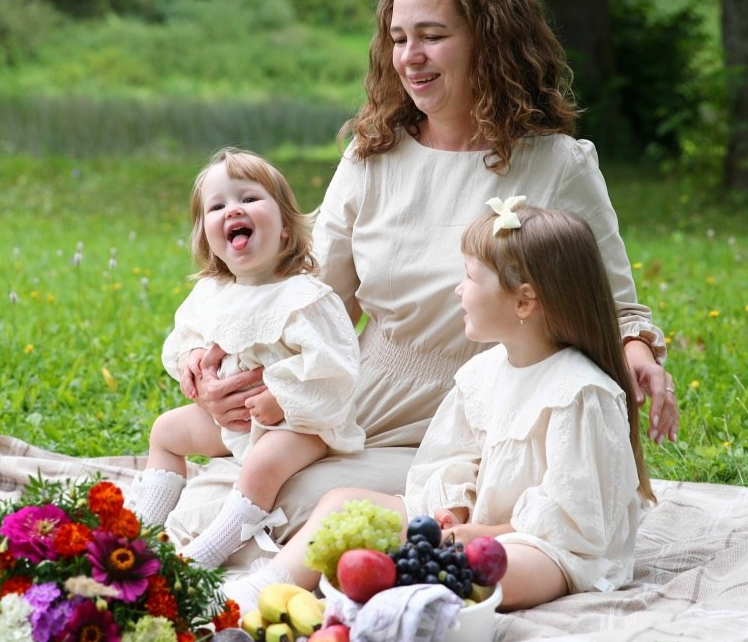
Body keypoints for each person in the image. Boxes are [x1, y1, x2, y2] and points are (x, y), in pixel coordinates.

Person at [164, 0, 676, 566]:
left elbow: (617, 306)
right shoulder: (373, 156)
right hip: (364, 399)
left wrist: (639, 353)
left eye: (432, 36)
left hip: (482, 416)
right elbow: (305, 294)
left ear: (489, 41)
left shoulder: (559, 165)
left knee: (301, 498)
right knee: (256, 484)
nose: (411, 57)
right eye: (399, 38)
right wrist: (211, 364)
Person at [225, 201, 656, 612]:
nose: (458, 288)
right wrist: (455, 510)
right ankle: (266, 584)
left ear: (524, 301)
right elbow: (453, 458)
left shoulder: (579, 392)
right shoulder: (482, 374)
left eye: (469, 277)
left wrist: (485, 533)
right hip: (472, 528)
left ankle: (388, 597)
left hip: (548, 546)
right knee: (342, 501)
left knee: (490, 565)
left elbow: (575, 517)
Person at [140, 147, 365, 568]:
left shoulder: (305, 297)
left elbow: (335, 367)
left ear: (284, 227)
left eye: (248, 199)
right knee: (165, 430)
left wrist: (281, 396)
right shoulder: (212, 293)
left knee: (263, 463)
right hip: (232, 422)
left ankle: (212, 547)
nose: (232, 210)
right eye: (217, 205)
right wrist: (190, 360)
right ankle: (139, 529)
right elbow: (182, 338)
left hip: (300, 425)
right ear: (207, 235)